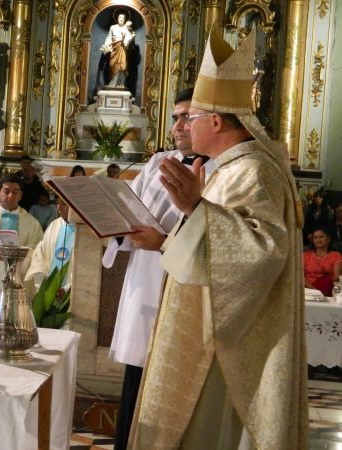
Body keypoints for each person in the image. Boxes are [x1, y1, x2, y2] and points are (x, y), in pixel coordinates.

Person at [130, 29, 307, 449]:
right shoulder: (227, 168)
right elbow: (209, 243)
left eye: (191, 118)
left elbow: (262, 254)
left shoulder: (253, 171)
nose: (184, 127)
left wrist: (197, 208)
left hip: (226, 347)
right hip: (203, 326)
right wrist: (180, 228)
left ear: (214, 121)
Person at [104, 88, 212, 450]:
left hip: (181, 283)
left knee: (171, 380)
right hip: (144, 279)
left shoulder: (219, 169)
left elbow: (214, 236)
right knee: (136, 378)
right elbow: (128, 209)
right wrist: (111, 226)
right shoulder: (155, 162)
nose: (178, 126)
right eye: (175, 118)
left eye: (187, 117)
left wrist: (161, 239)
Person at [0, 174, 43, 289]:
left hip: (20, 274)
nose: (10, 196)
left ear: (21, 195)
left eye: (15, 192)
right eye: (6, 191)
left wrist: (21, 253)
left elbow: (38, 246)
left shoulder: (32, 222)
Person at [25, 198, 75, 298]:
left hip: (73, 295)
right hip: (49, 292)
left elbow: (87, 266)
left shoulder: (86, 231)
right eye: (57, 203)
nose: (59, 208)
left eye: (64, 204)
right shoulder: (54, 225)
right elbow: (40, 255)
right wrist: (44, 285)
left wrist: (68, 288)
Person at [101, 10, 135, 88]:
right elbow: (109, 37)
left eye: (123, 17)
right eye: (120, 17)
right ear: (117, 18)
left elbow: (129, 37)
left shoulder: (126, 28)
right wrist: (106, 46)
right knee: (112, 65)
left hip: (122, 49)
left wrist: (126, 40)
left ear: (125, 19)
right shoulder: (113, 27)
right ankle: (112, 83)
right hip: (114, 49)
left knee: (122, 65)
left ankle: (121, 84)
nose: (121, 19)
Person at [303, 228, 342, 296]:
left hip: (327, 292)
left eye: (321, 237)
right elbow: (301, 277)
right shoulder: (305, 255)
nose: (318, 240)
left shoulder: (336, 256)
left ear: (329, 239)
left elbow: (337, 278)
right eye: (315, 238)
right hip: (307, 290)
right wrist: (314, 291)